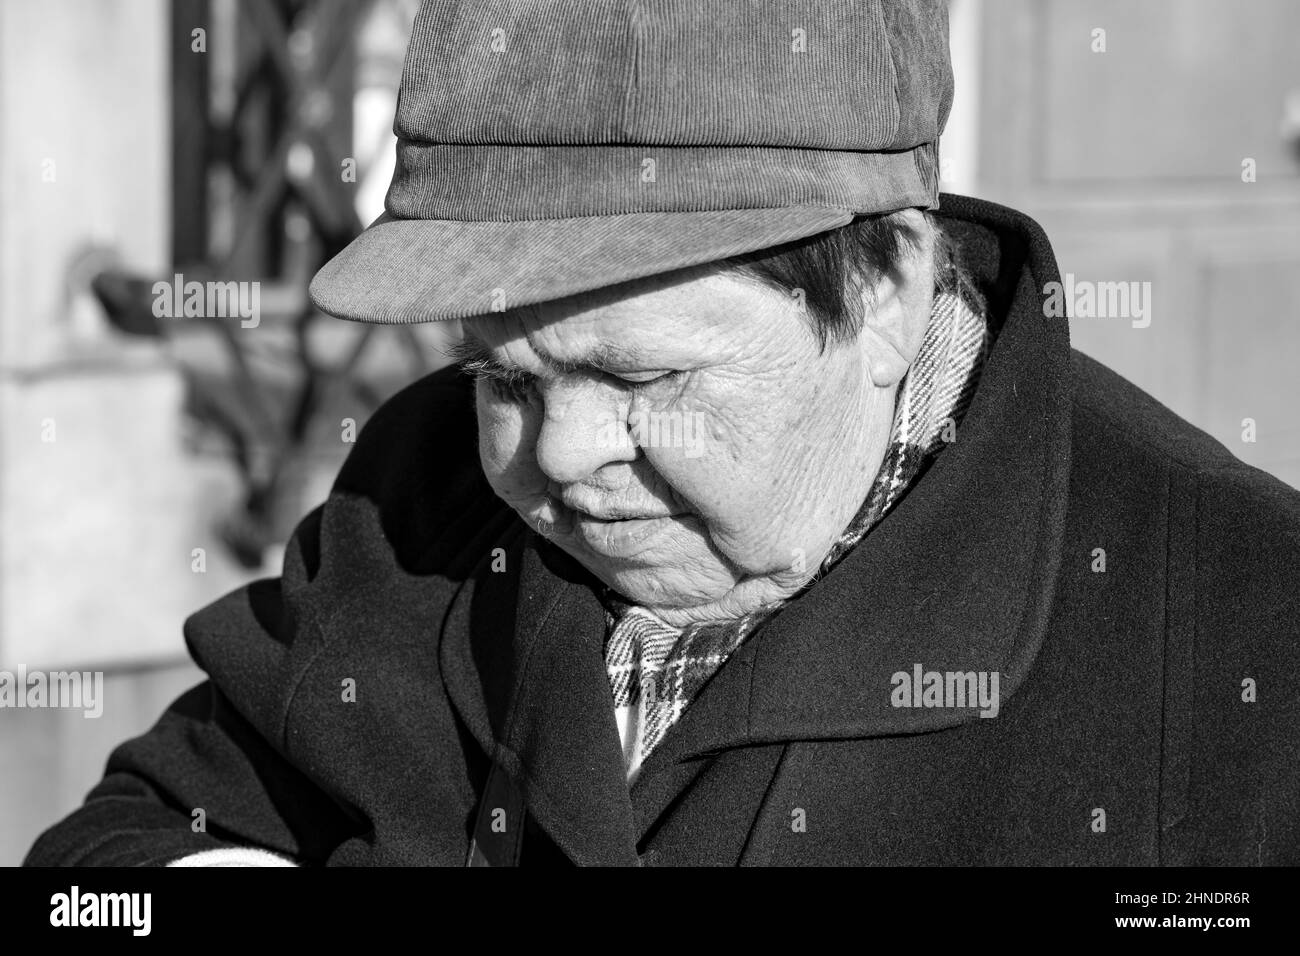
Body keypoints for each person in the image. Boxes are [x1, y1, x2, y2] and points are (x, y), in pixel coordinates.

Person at [27, 0, 1300, 866]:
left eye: (642, 377)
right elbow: (106, 861)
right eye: (502, 376)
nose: (559, 454)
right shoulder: (411, 500)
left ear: (887, 295)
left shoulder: (1241, 628)